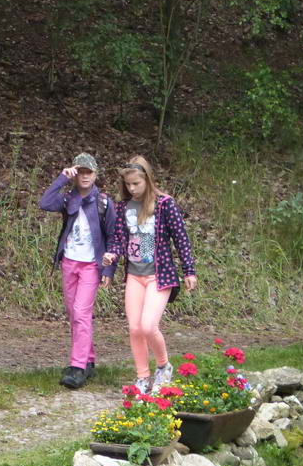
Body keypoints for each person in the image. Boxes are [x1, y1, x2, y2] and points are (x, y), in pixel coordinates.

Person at [103, 156, 198, 395]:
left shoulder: (165, 204)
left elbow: (181, 239)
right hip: (134, 275)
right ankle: (143, 377)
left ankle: (164, 366)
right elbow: (118, 239)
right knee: (135, 328)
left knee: (148, 326)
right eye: (128, 185)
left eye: (136, 184)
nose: (132, 189)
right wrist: (111, 256)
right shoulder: (123, 207)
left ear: (147, 179)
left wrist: (189, 270)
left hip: (159, 275)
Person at [39, 152, 117, 390]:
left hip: (91, 265)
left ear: (95, 174)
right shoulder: (67, 199)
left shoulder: (104, 203)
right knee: (74, 314)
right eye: (80, 172)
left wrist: (108, 270)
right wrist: (62, 178)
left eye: (89, 172)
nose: (84, 176)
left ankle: (77, 367)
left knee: (82, 312)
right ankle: (88, 360)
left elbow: (113, 236)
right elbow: (45, 203)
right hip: (69, 262)